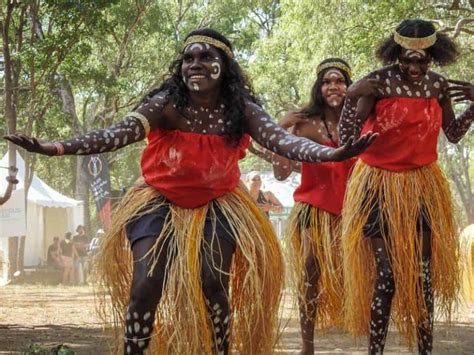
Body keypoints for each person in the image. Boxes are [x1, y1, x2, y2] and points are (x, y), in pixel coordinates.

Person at [4, 28, 377, 354]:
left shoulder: (241, 109)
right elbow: (114, 134)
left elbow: (283, 141)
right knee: (146, 284)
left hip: (218, 202)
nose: (195, 63)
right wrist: (56, 147)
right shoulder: (166, 105)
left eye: (206, 57)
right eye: (188, 58)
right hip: (157, 199)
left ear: (224, 67)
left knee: (214, 284)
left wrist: (334, 153)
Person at [339, 19, 473, 354]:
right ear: (396, 54)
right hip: (377, 187)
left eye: (422, 59)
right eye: (407, 58)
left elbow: (453, 134)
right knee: (388, 277)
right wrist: (349, 99)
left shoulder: (438, 86)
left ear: (433, 56)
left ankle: (424, 350)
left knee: (423, 277)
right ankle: (375, 351)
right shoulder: (377, 83)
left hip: (423, 187)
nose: (414, 66)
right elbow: (345, 139)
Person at [272, 58, 355, 354]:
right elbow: (281, 172)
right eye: (327, 82)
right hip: (313, 207)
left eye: (340, 81)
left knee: (365, 271)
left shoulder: (360, 119)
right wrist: (283, 128)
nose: (334, 86)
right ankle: (307, 346)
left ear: (350, 86)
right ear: (318, 88)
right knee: (310, 270)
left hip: (353, 211)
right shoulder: (304, 124)